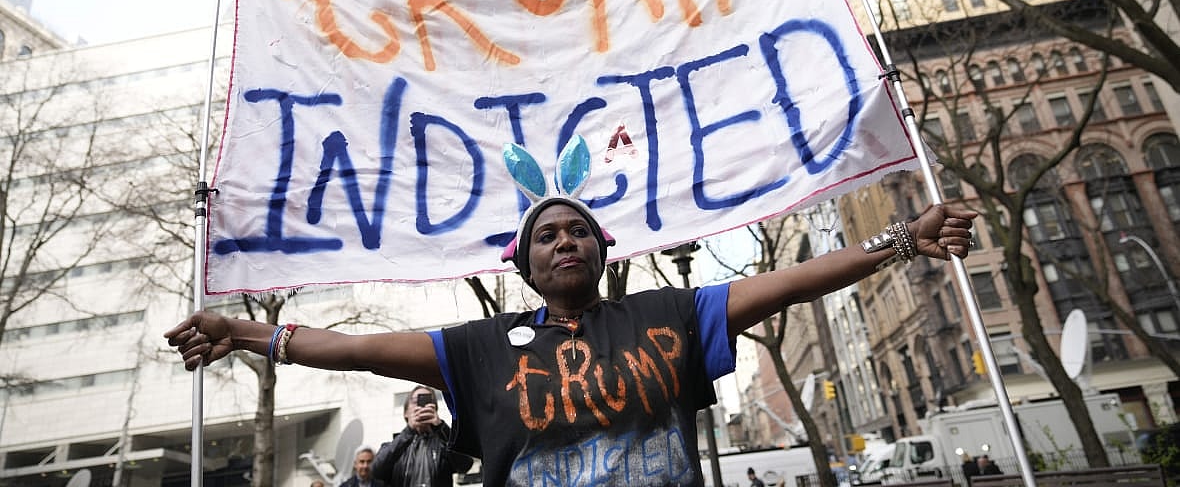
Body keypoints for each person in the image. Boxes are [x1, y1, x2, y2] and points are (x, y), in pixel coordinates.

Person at [167, 137, 975, 487]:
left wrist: (905, 237)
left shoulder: (669, 313)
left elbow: (795, 281)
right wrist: (238, 331)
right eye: (547, 234)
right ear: (523, 261)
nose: (565, 241)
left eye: (579, 231)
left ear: (601, 250)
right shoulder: (480, 348)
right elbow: (356, 349)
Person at [372, 385, 473, 487]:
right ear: (406, 412)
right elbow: (376, 470)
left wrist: (441, 427)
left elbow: (465, 465)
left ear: (434, 410)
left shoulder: (443, 445)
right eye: (416, 401)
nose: (421, 407)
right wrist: (409, 431)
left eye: (428, 402)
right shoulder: (395, 445)